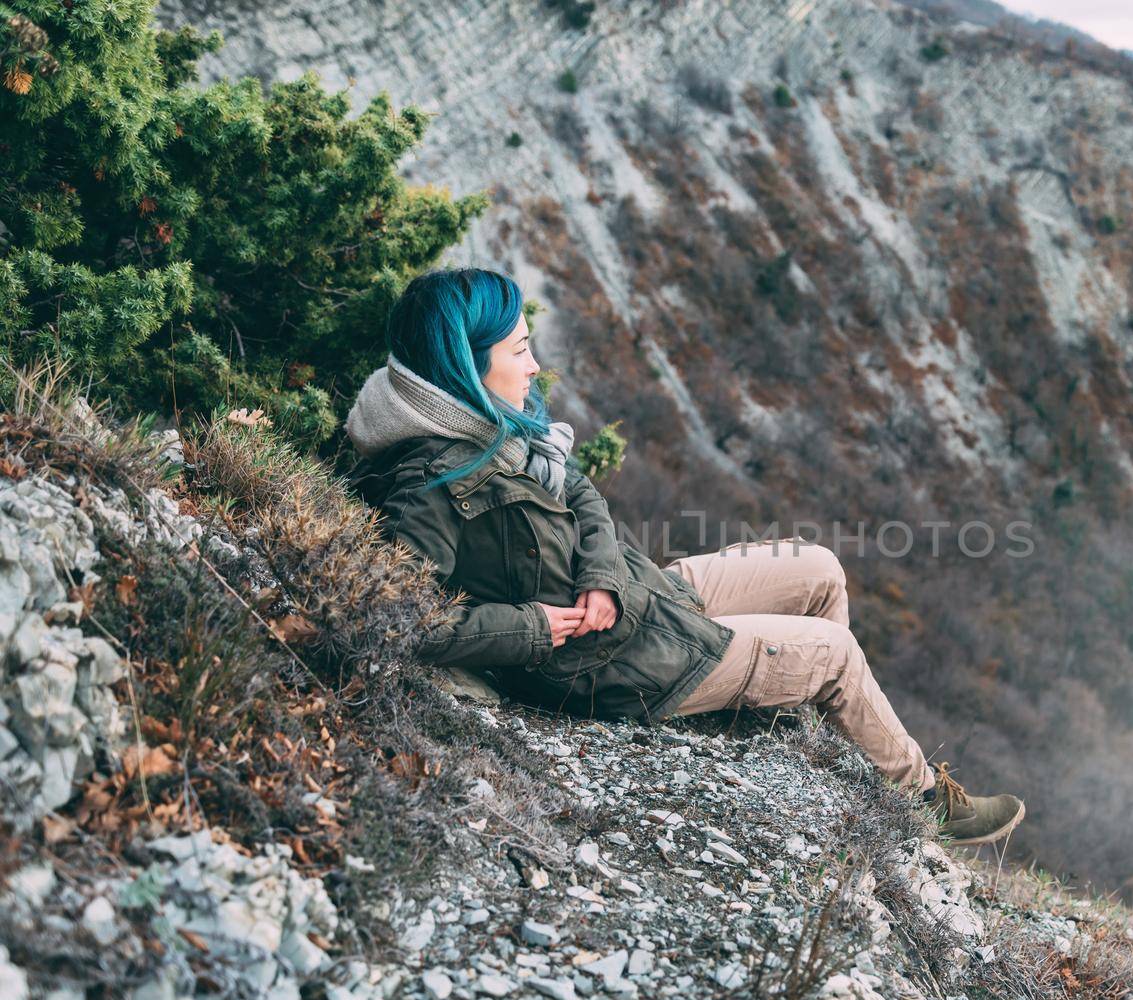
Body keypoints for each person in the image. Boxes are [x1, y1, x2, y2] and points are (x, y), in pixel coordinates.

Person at [344, 266, 1025, 846]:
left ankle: (786, 713)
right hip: (617, 666)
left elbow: (578, 492)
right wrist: (531, 628)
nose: (535, 364)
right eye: (520, 349)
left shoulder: (478, 422)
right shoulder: (426, 481)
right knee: (834, 653)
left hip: (640, 602)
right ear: (469, 361)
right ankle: (924, 802)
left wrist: (603, 576)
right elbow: (406, 622)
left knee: (817, 568)